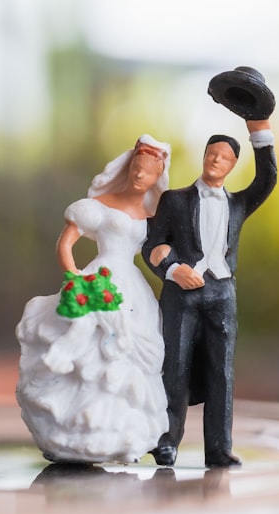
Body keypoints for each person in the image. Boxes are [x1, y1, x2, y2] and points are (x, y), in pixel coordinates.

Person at [15, 135, 171, 464]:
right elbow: (66, 243)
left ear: (158, 177)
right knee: (87, 341)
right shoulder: (102, 204)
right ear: (129, 167)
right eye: (137, 168)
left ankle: (116, 429)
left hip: (132, 287)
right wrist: (75, 275)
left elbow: (159, 253)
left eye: (149, 172)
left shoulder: (155, 214)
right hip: (100, 276)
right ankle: (68, 422)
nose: (141, 176)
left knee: (129, 352)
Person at [143, 116, 277, 468]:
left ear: (233, 165)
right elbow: (152, 246)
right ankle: (166, 442)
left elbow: (268, 179)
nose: (216, 160)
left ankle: (218, 448)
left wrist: (259, 127)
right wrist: (173, 269)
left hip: (222, 294)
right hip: (182, 294)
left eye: (224, 157)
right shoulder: (174, 201)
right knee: (175, 365)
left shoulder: (238, 204)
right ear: (204, 157)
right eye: (211, 154)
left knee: (223, 372)